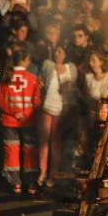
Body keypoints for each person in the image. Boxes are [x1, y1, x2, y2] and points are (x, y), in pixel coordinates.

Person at [0, 44, 41, 195]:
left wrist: (14, 113)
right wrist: (24, 113)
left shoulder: (5, 77)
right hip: (28, 120)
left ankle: (16, 184)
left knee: (11, 151)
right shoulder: (33, 79)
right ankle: (31, 184)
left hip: (9, 121)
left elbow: (0, 101)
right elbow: (36, 101)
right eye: (28, 60)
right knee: (30, 152)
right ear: (24, 60)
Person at [37, 45, 78, 188]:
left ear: (65, 54)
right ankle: (42, 172)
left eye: (60, 51)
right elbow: (41, 81)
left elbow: (73, 88)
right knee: (44, 140)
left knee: (56, 142)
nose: (57, 53)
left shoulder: (70, 68)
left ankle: (52, 174)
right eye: (56, 51)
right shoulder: (49, 66)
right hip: (48, 106)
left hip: (61, 109)